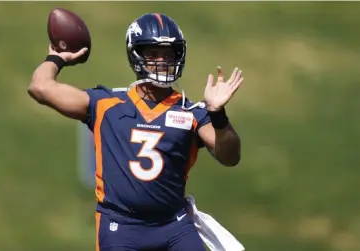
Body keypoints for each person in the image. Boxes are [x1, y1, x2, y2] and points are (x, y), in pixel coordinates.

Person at [28, 12, 244, 251]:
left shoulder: (191, 111)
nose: (162, 61)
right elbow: (40, 87)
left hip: (173, 225)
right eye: (153, 54)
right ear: (136, 55)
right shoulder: (106, 104)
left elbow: (230, 156)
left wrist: (218, 115)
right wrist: (56, 58)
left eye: (168, 54)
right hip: (121, 226)